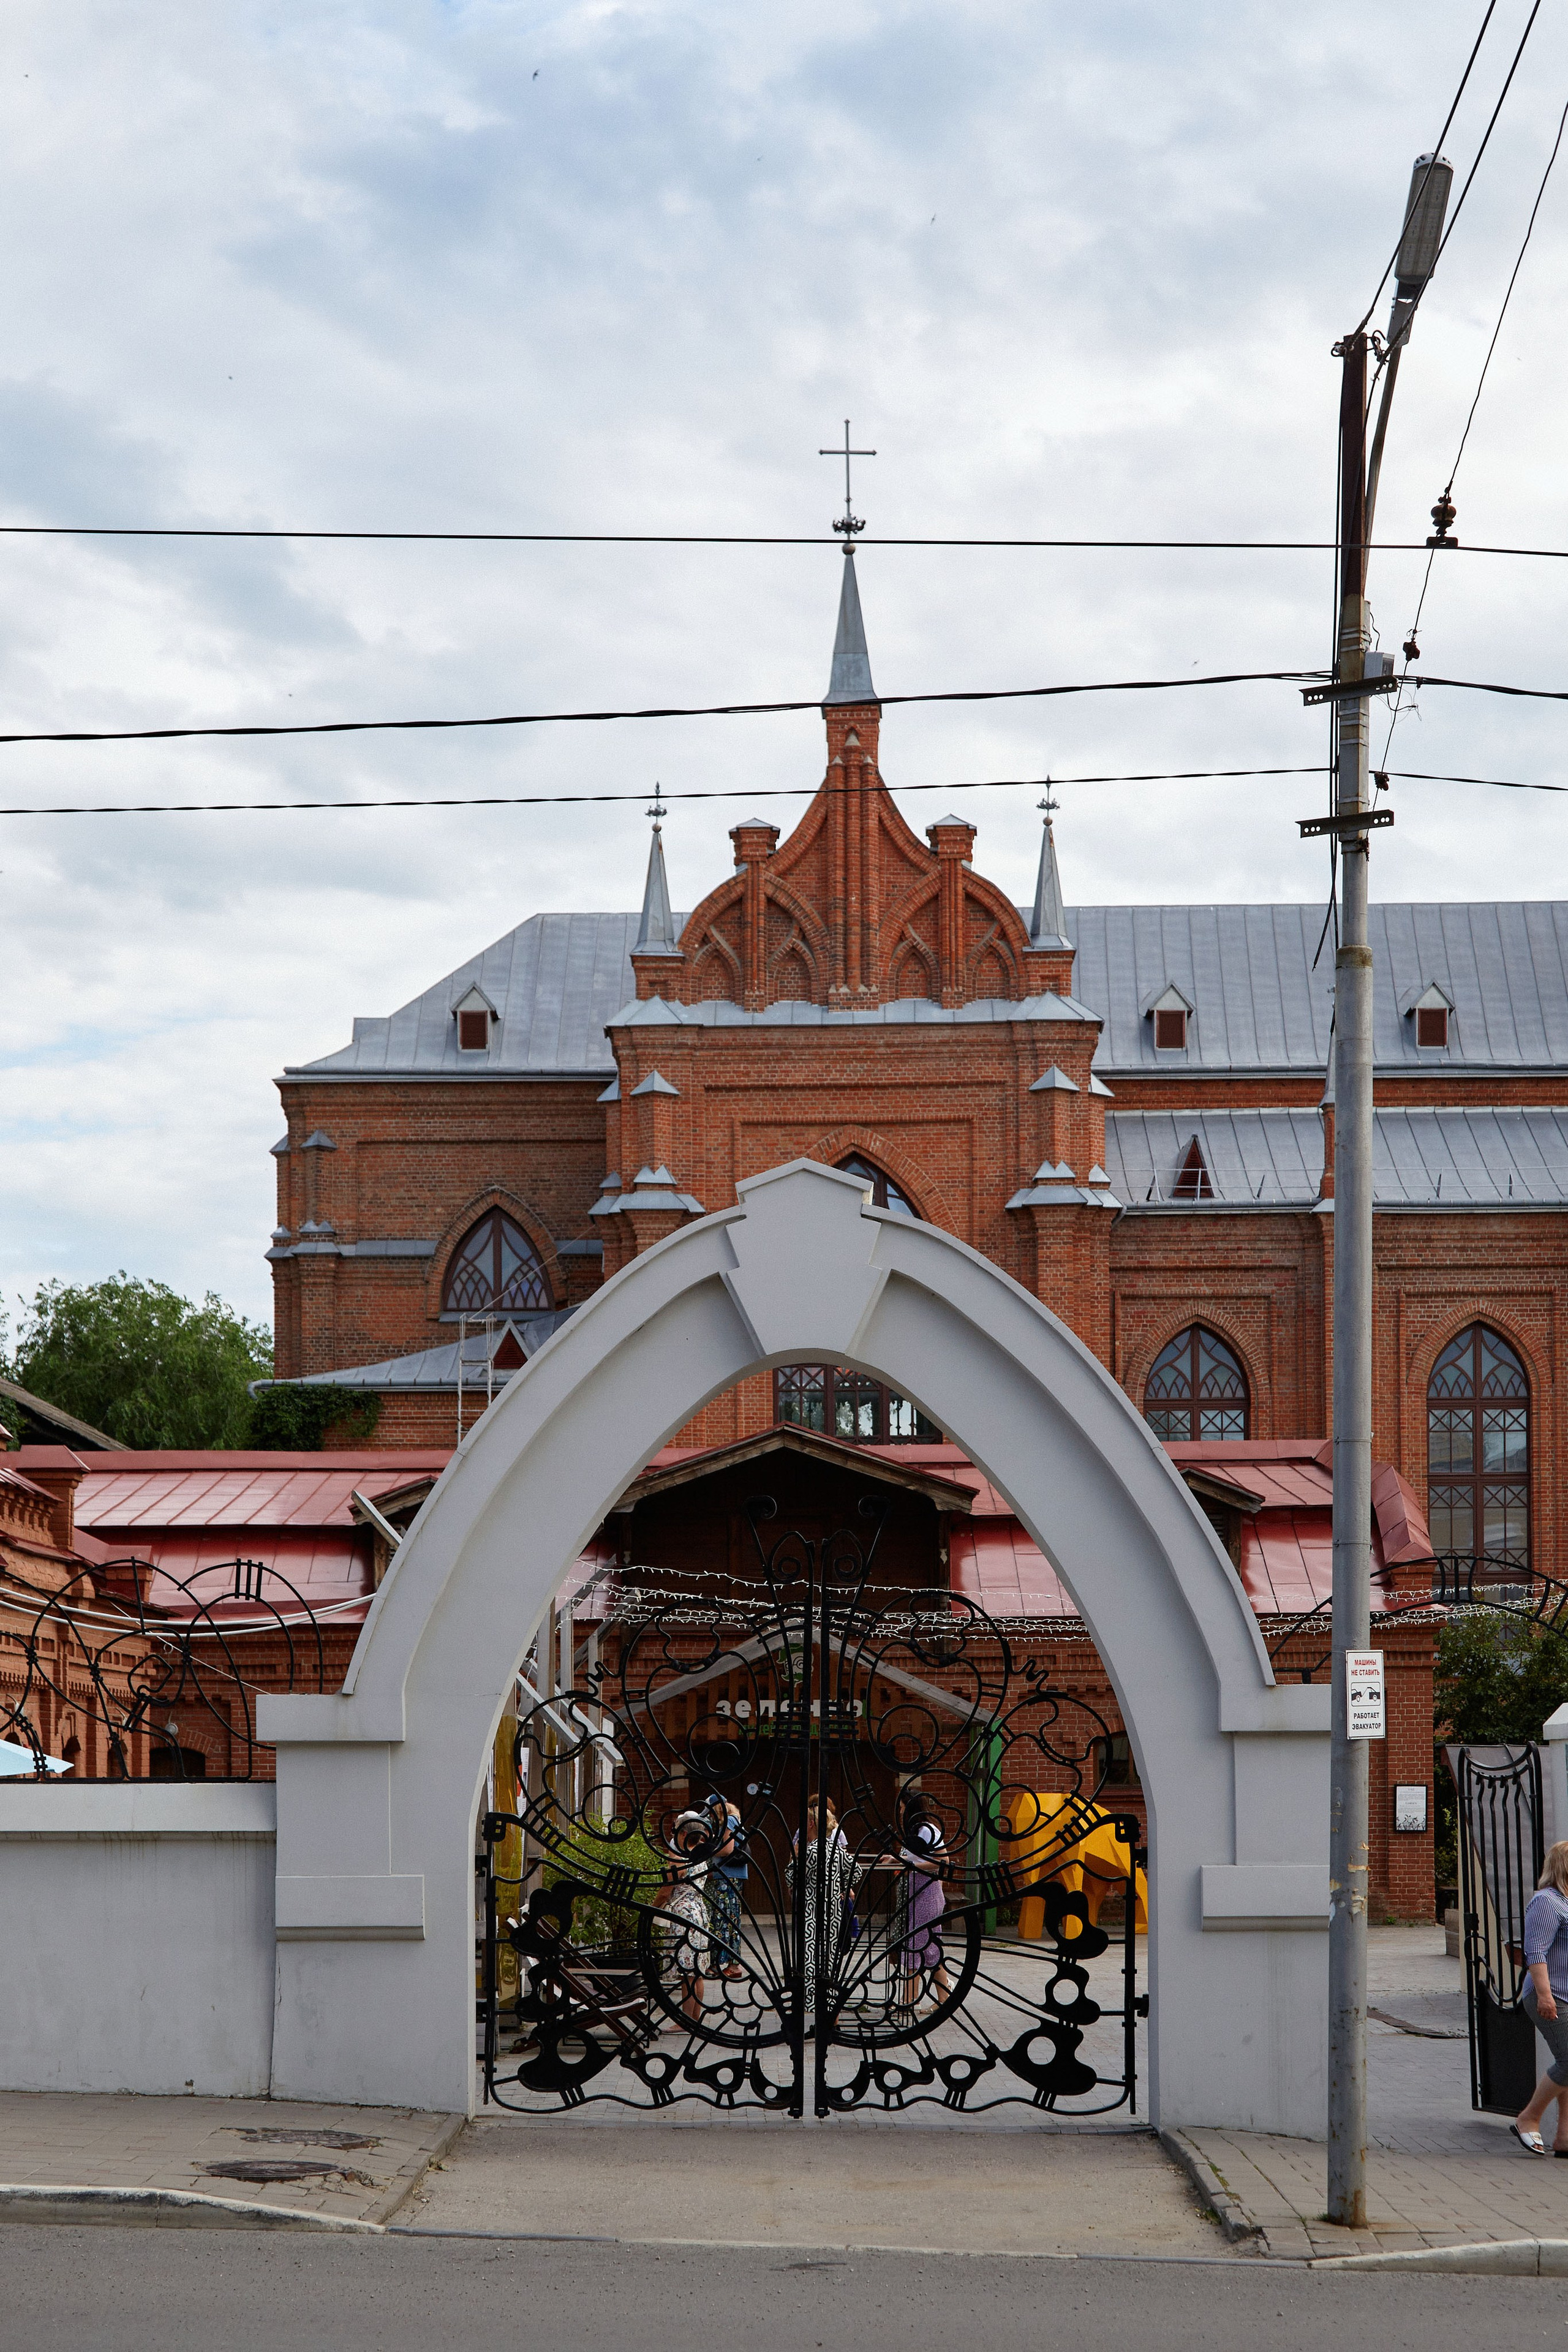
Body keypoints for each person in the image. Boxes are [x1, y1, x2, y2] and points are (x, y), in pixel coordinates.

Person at [1513, 1839, 1568, 2154]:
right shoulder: (1546, 1901)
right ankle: (1528, 2118)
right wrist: (1545, 1995)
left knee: (1566, 2062)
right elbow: (1535, 1951)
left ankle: (1564, 2138)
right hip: (1553, 1995)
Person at [788, 1796, 856, 2026]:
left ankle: (821, 2017)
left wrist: (795, 1860)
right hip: (834, 1914)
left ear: (811, 1824)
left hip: (813, 1915)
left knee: (813, 1965)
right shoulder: (836, 1850)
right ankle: (832, 2018)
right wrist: (841, 1889)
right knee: (830, 1965)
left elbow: (791, 1876)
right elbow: (855, 1872)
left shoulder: (811, 1851)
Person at [657, 1809, 714, 2030]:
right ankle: (694, 2018)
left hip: (683, 1914)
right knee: (696, 1971)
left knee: (686, 1971)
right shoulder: (701, 1856)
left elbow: (665, 1890)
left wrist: (653, 1909)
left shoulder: (679, 1857)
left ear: (682, 1833)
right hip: (699, 1912)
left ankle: (685, 2022)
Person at [895, 1803, 951, 2014]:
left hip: (927, 1893)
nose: (901, 1812)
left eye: (902, 1808)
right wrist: (897, 1861)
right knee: (929, 1947)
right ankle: (944, 1998)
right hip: (918, 1893)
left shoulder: (927, 1830)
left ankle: (909, 2000)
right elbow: (914, 1859)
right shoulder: (915, 1832)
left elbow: (942, 1861)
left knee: (915, 1945)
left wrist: (910, 1867)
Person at [703, 1792, 748, 1983]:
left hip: (727, 1877)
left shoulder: (729, 1821)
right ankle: (724, 1963)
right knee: (726, 1919)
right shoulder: (732, 1820)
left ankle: (729, 1965)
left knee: (724, 1919)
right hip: (728, 1876)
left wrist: (707, 1850)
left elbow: (728, 1849)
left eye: (711, 1813)